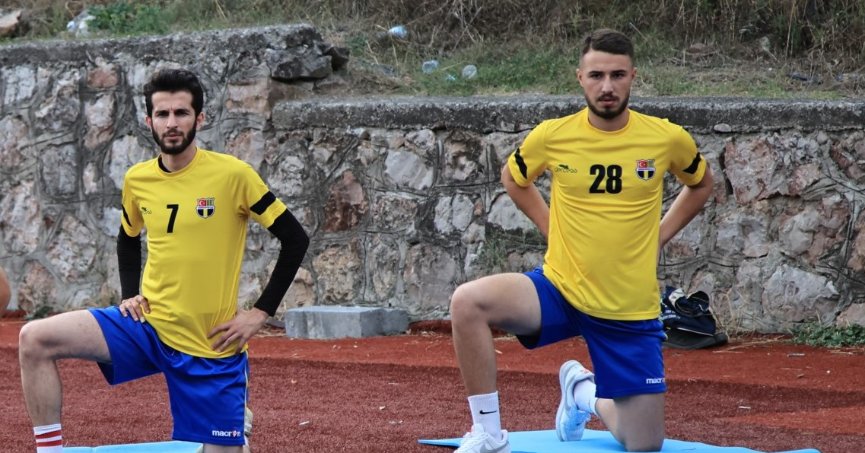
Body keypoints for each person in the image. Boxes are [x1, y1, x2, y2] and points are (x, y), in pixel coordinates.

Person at [449, 28, 714, 453]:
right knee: (468, 302)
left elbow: (701, 184)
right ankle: (488, 434)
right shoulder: (552, 135)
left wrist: (659, 236)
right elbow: (514, 179)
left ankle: (581, 393)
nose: (607, 86)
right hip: (560, 289)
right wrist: (551, 228)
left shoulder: (666, 138)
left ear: (633, 77)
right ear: (580, 78)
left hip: (627, 310)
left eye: (617, 75)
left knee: (644, 444)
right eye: (596, 75)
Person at [18, 68, 310, 453]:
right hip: (147, 326)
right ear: (149, 121)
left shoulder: (234, 175)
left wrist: (260, 313)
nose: (171, 123)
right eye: (162, 114)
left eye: (181, 113)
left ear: (199, 118)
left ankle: (235, 423)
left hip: (209, 346)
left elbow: (295, 239)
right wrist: (129, 293)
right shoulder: (137, 179)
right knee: (34, 338)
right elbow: (128, 237)